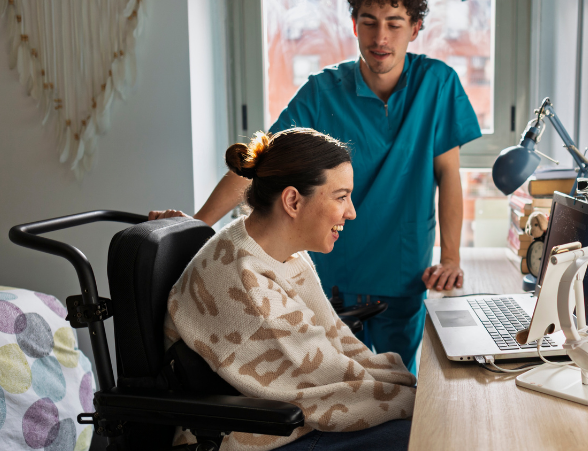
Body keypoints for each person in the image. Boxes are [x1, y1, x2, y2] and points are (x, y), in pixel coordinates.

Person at [152, 0, 482, 374]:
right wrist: (198, 226)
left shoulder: (438, 84)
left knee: (405, 381)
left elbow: (448, 175)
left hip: (404, 270)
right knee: (338, 379)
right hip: (335, 276)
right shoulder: (323, 91)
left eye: (395, 23)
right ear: (354, 23)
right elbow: (260, 164)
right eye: (369, 21)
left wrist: (450, 258)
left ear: (415, 28)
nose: (381, 37)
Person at [164, 129, 416, 451]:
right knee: (421, 435)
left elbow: (334, 339)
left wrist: (404, 382)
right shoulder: (247, 284)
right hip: (257, 434)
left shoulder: (270, 247)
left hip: (287, 410)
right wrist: (418, 400)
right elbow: (326, 388)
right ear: (293, 201)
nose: (351, 212)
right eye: (341, 197)